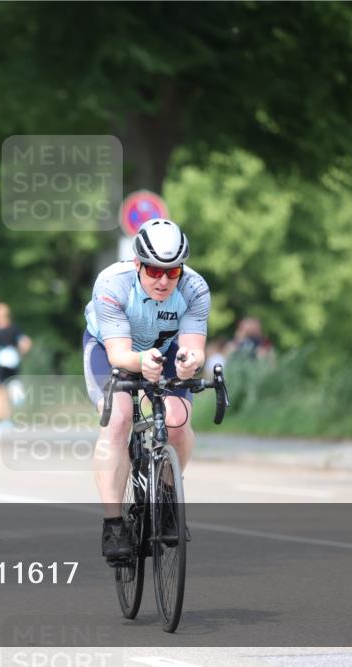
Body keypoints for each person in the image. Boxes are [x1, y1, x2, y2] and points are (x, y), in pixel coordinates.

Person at [82, 219, 209, 562]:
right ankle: (113, 523)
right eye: (154, 270)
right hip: (112, 348)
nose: (164, 280)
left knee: (178, 421)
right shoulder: (112, 284)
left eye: (173, 272)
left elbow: (194, 347)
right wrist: (141, 362)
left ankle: (167, 496)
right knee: (118, 420)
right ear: (137, 264)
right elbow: (120, 355)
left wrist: (189, 362)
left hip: (165, 349)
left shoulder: (195, 288)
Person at [0, 302, 32, 428]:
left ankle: (14, 400)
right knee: (0, 393)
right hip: (0, 367)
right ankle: (5, 420)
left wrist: (24, 348)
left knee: (7, 389)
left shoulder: (13, 329)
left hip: (12, 364)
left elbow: (25, 342)